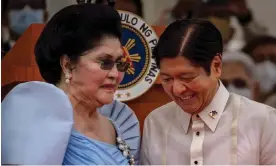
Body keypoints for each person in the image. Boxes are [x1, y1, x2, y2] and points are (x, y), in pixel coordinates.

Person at [2, 3, 140, 165]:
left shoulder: (119, 126)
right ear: (67, 65)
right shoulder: (34, 124)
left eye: (119, 63)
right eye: (105, 62)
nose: (115, 74)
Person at [140, 19, 276, 165]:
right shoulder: (156, 122)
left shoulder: (262, 121)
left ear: (216, 66)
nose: (177, 89)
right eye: (167, 79)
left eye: (187, 77)